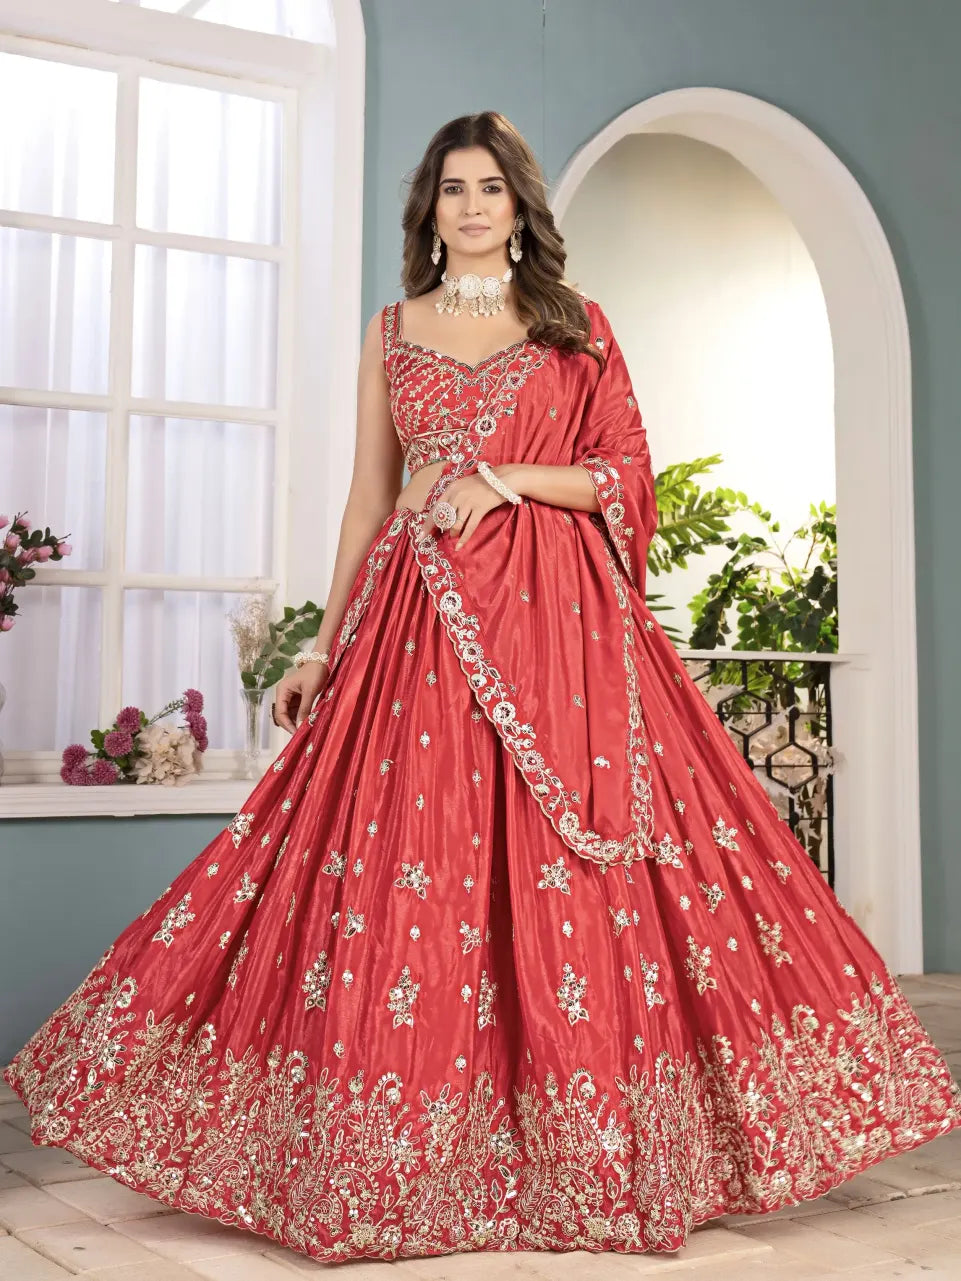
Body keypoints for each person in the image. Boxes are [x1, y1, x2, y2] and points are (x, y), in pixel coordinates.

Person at [6, 111, 959, 1264]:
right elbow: (370, 497)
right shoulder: (391, 332)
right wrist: (322, 640)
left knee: (583, 878)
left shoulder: (575, 328)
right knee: (420, 869)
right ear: (429, 209)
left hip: (564, 634)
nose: (470, 205)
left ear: (519, 206)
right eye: (452, 188)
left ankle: (594, 1149)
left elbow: (625, 472)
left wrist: (499, 478)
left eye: (490, 187)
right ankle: (407, 1156)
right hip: (417, 633)